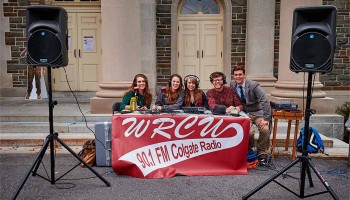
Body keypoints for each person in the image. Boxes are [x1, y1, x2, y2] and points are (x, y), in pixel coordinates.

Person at [230, 66, 271, 158]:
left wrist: (266, 118)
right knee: (249, 132)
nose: (238, 77)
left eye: (240, 74)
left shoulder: (253, 85)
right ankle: (250, 148)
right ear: (233, 76)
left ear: (245, 75)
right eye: (236, 75)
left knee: (265, 129)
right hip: (243, 113)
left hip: (257, 112)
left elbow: (264, 100)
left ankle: (262, 151)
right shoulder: (232, 84)